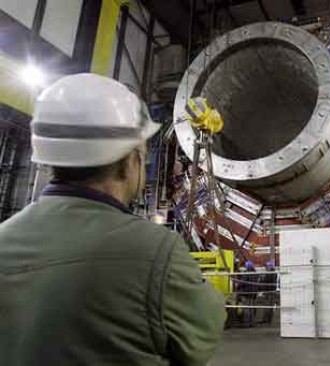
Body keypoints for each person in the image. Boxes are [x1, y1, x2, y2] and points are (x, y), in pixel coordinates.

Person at [0, 74, 226, 366]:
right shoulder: (156, 250)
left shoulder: (4, 239)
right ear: (128, 163)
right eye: (142, 157)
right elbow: (202, 337)